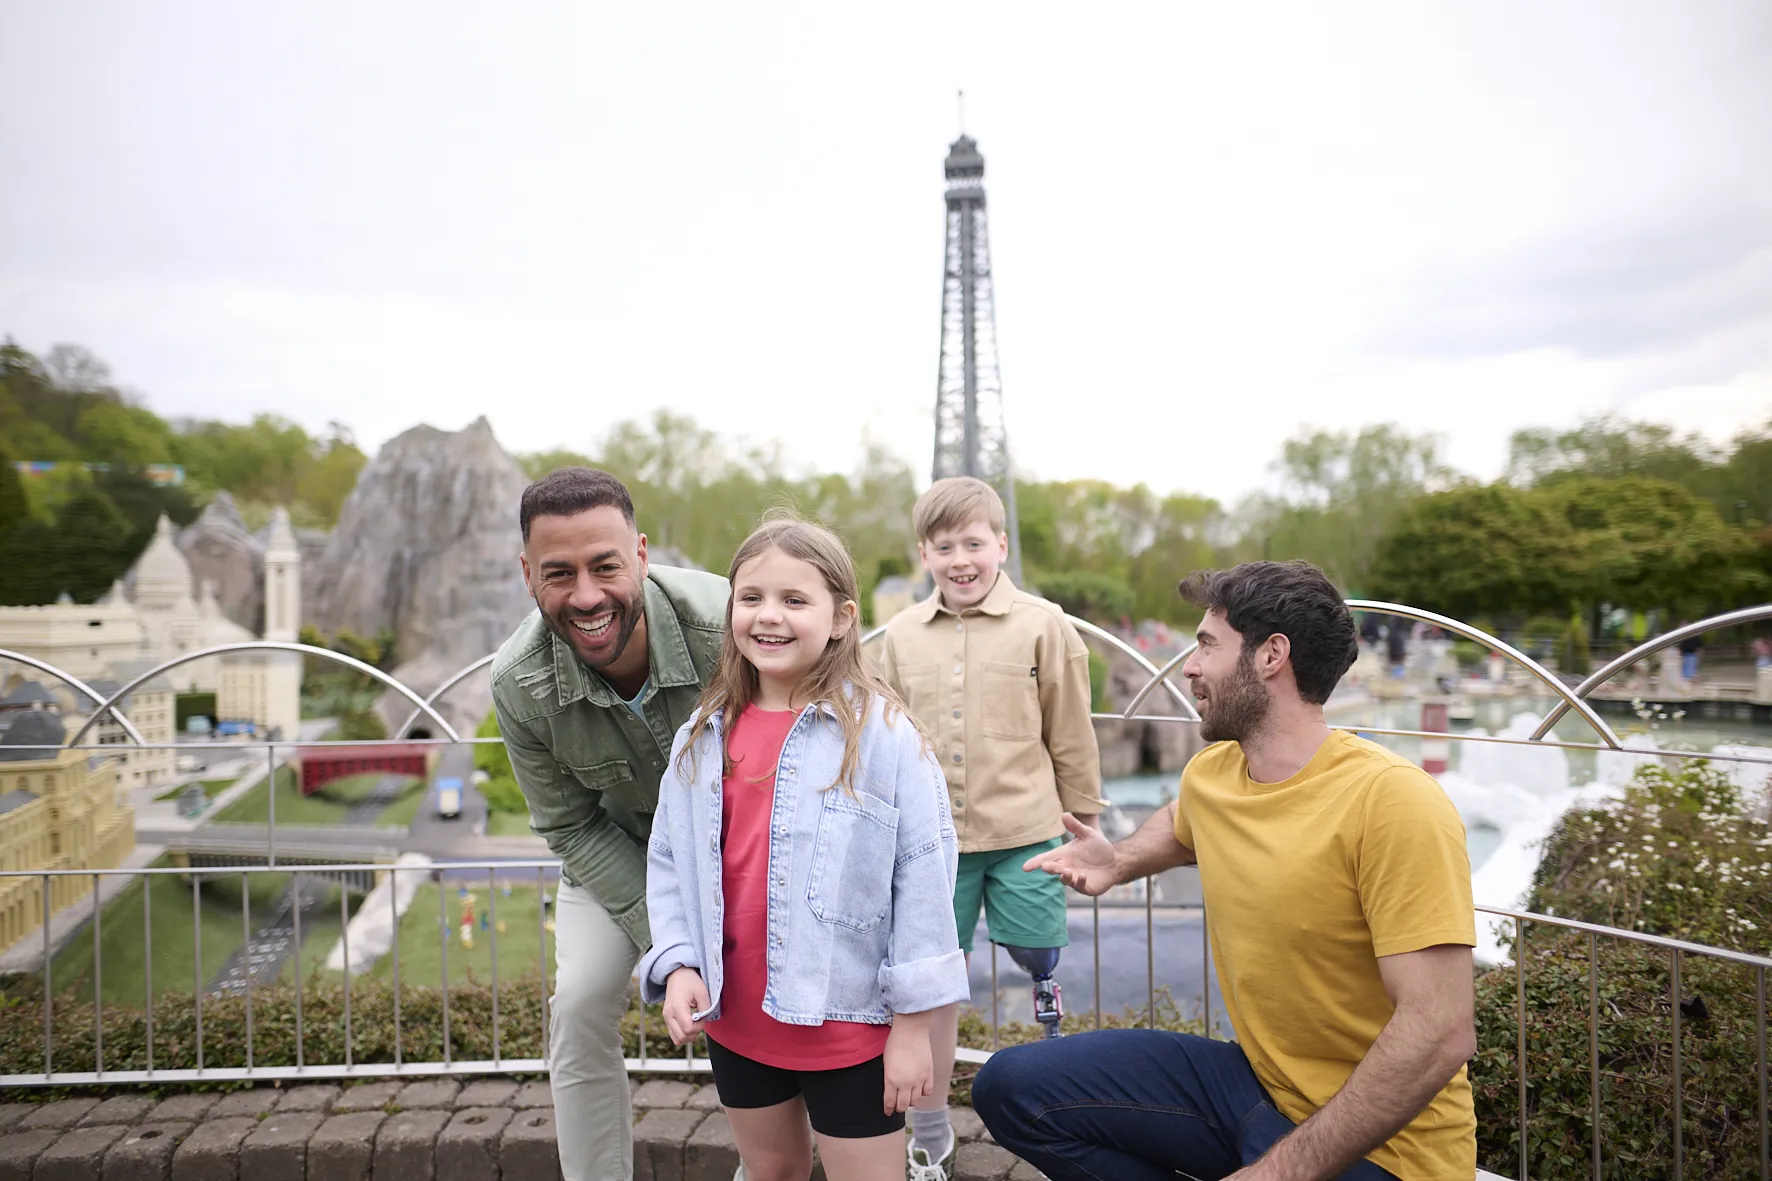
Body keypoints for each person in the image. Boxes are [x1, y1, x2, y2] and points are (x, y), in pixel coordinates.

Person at [972, 560, 1479, 1181]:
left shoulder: (1394, 802)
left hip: (1388, 1155)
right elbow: (1184, 822)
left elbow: (1440, 1031)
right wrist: (1121, 860)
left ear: (1271, 656)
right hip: (1255, 1091)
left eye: (1207, 644)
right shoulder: (1214, 774)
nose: (1188, 666)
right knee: (1014, 1088)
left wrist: (1275, 1173)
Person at [639, 517, 971, 1181]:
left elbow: (926, 883)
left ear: (842, 616)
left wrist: (912, 1027)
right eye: (752, 597)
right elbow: (671, 863)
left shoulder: (886, 738)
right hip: (738, 1021)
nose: (770, 616)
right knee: (771, 1172)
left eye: (795, 600)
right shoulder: (700, 737)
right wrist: (678, 963)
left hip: (850, 1025)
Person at [490, 467, 730, 1181]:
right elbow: (569, 826)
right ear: (528, 574)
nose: (587, 595)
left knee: (754, 1013)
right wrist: (671, 943)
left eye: (606, 566)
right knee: (581, 1005)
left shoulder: (730, 626)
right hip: (615, 854)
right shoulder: (516, 682)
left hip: (736, 854)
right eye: (559, 573)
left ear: (643, 555)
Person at [875, 476, 1106, 1181]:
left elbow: (1071, 732)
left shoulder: (1045, 624)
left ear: (1000, 545)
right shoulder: (898, 637)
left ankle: (1057, 1093)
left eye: (974, 542)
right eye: (944, 546)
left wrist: (1085, 826)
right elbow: (881, 737)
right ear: (925, 553)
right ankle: (931, 1128)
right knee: (931, 990)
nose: (960, 558)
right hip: (931, 847)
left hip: (1027, 832)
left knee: (1039, 953)